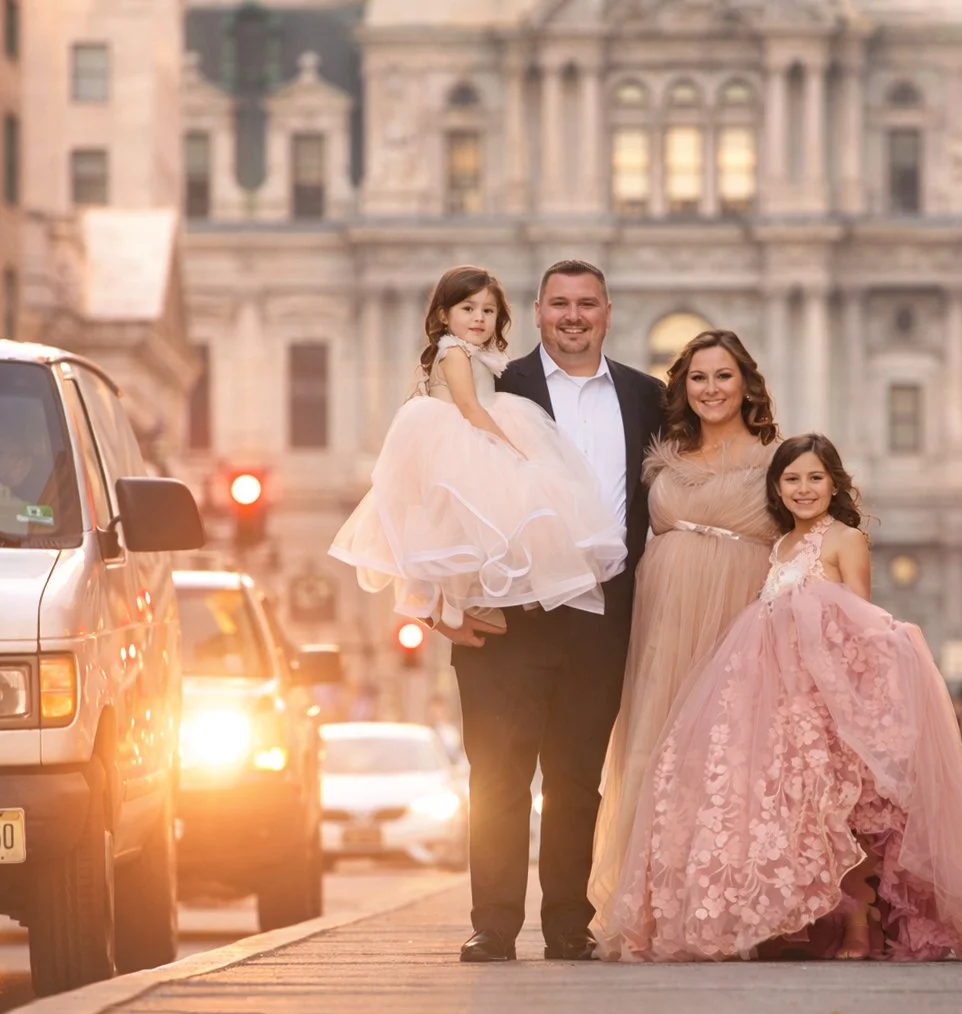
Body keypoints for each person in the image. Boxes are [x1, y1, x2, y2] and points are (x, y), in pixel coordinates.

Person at [595, 434, 962, 963]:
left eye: (814, 478)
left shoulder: (845, 540)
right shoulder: (777, 547)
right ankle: (785, 916)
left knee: (842, 811)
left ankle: (859, 920)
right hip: (775, 698)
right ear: (777, 488)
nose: (803, 489)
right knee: (786, 812)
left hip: (825, 697)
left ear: (834, 484)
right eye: (791, 479)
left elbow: (861, 621)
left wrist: (852, 701)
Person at [438, 259, 664, 963]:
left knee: (575, 779)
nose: (573, 315)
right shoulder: (493, 382)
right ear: (536, 312)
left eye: (587, 304)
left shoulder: (647, 398)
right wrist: (437, 603)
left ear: (606, 311)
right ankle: (494, 925)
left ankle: (568, 921)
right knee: (497, 776)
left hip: (602, 617)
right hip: (505, 615)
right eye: (559, 303)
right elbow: (440, 489)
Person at [588, 329, 780, 926]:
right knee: (658, 752)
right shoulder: (661, 455)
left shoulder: (781, 460)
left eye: (723, 375)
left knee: (728, 756)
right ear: (682, 386)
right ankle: (654, 906)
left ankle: (727, 905)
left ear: (746, 383)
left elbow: (812, 540)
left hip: (738, 620)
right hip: (663, 622)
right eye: (698, 377)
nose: (711, 388)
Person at [329, 265, 625, 631]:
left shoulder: (474, 354)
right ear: (443, 314)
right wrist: (508, 448)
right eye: (468, 309)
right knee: (468, 520)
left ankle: (487, 594)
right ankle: (453, 601)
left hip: (477, 427)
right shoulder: (453, 352)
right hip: (464, 435)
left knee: (493, 520)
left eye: (488, 311)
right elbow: (470, 407)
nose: (480, 318)